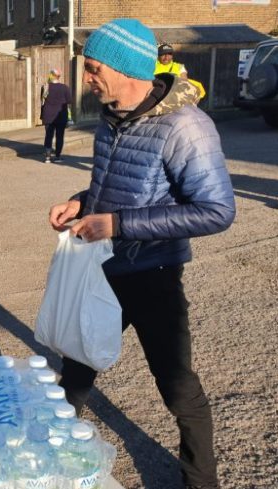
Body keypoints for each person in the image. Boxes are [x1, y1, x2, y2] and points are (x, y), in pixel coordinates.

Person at [48, 19, 235, 489]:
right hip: (102, 268)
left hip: (153, 273)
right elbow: (113, 184)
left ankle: (201, 481)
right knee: (76, 367)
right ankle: (49, 459)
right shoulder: (111, 118)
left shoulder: (186, 127)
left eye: (93, 68)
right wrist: (81, 203)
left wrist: (119, 224)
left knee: (177, 387)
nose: (86, 78)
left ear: (126, 68)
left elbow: (217, 211)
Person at [40, 68, 73, 163]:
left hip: (48, 115)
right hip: (60, 115)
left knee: (48, 136)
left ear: (50, 75)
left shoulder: (45, 87)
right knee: (59, 136)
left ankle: (47, 157)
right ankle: (57, 157)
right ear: (59, 77)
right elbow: (69, 101)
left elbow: (42, 100)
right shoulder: (65, 87)